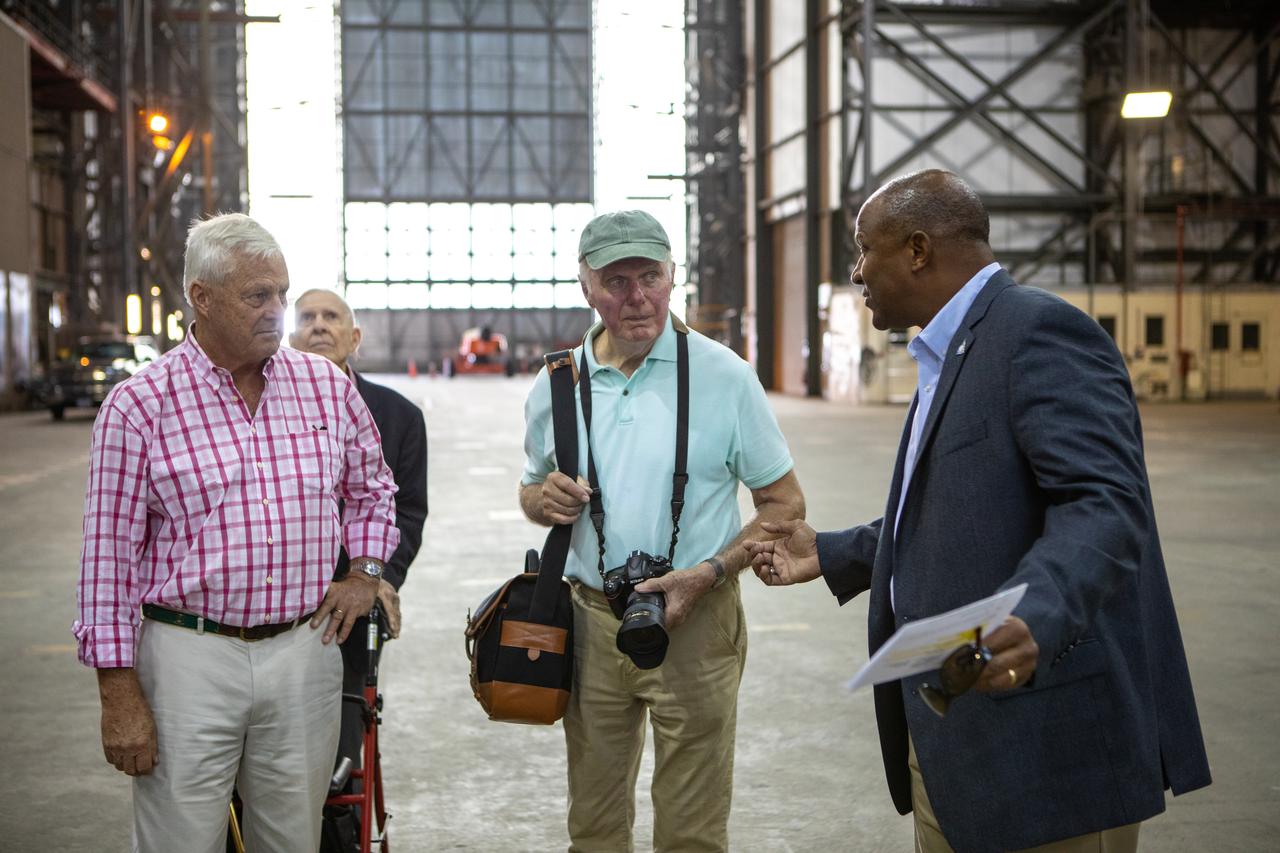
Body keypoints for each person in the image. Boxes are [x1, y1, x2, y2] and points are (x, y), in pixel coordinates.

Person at [744, 170, 1211, 852]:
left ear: (918, 249)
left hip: (1041, 738)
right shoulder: (946, 351)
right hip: (961, 731)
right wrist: (834, 552)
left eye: (862, 248)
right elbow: (965, 507)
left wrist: (1036, 613)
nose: (855, 271)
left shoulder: (1038, 333)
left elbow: (1105, 504)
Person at [73, 213, 400, 853]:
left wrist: (364, 573)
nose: (280, 311)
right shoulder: (140, 405)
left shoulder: (326, 388)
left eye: (282, 292)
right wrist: (118, 694)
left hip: (304, 649)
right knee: (181, 837)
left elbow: (373, 489)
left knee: (292, 838)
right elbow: (106, 560)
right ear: (201, 297)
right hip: (188, 655)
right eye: (259, 296)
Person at [519, 209, 806, 853]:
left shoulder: (724, 376)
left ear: (674, 276)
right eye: (616, 281)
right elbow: (529, 489)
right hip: (592, 621)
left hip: (699, 617)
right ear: (585, 287)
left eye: (650, 276)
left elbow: (784, 504)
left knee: (692, 831)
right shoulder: (558, 383)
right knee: (593, 825)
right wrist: (545, 498)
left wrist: (711, 573)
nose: (637, 297)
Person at [291, 287, 428, 782]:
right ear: (290, 336)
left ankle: (339, 825)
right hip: (276, 596)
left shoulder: (399, 416)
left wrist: (378, 578)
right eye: (307, 317)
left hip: (352, 598)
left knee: (338, 735)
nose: (318, 325)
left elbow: (407, 511)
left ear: (354, 337)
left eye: (331, 317)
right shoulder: (262, 409)